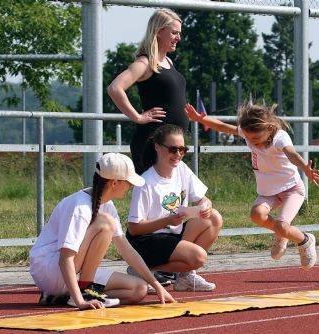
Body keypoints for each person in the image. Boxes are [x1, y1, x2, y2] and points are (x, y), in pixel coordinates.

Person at [185, 102, 319, 270]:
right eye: (249, 139)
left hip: (291, 189)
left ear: (270, 129)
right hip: (269, 191)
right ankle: (283, 232)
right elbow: (222, 126)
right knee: (256, 215)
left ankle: (305, 241)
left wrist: (305, 169)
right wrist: (201, 119)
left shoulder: (280, 137)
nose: (252, 143)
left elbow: (292, 154)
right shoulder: (249, 133)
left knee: (281, 225)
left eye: (256, 139)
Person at [29, 153, 176, 310]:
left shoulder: (108, 205)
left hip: (72, 270)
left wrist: (155, 284)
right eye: (129, 182)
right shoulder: (80, 207)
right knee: (106, 223)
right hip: (52, 271)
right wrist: (81, 302)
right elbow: (65, 258)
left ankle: (62, 296)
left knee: (139, 289)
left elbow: (127, 250)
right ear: (114, 183)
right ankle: (84, 292)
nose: (132, 186)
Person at [127, 124, 223, 291]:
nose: (178, 155)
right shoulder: (146, 183)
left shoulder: (182, 169)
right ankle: (143, 270)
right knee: (199, 257)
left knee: (214, 217)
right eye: (173, 149)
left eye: (182, 149)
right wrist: (168, 220)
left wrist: (205, 206)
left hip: (172, 234)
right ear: (157, 147)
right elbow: (134, 229)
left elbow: (203, 198)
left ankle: (185, 277)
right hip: (147, 240)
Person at [107, 8, 188, 174]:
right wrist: (137, 117)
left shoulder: (169, 62)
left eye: (179, 33)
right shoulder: (145, 63)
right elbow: (115, 88)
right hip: (153, 143)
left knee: (169, 195)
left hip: (170, 145)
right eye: (174, 33)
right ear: (158, 31)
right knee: (153, 194)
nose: (178, 38)